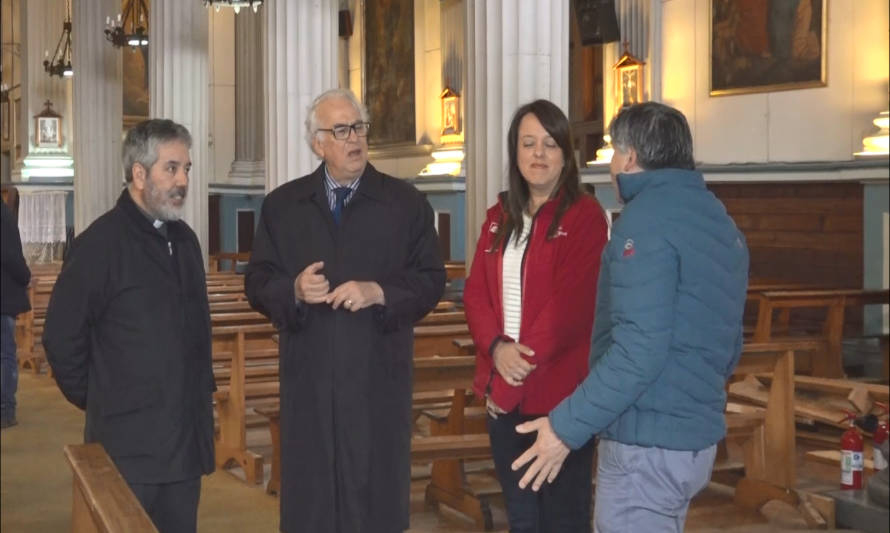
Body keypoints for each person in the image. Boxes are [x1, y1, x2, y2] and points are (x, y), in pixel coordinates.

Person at [512, 102, 749, 532]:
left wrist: (565, 427)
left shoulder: (644, 222)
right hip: (695, 440)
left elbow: (637, 351)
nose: (611, 166)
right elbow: (729, 346)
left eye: (613, 153)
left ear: (632, 157)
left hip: (647, 442)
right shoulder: (720, 220)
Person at [245, 88, 445, 533]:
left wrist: (380, 292)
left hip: (378, 380)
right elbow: (257, 282)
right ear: (318, 143)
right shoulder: (283, 205)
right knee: (312, 504)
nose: (354, 138)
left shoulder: (405, 204)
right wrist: (293, 289)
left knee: (374, 504)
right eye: (340, 130)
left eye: (359, 127)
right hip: (310, 383)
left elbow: (432, 280)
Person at [43, 119, 215, 533]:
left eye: (186, 169)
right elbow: (61, 339)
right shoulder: (100, 244)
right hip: (128, 448)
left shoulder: (187, 241)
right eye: (170, 168)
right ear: (139, 174)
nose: (182, 180)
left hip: (183, 448)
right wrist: (104, 396)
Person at [463, 99, 609, 532]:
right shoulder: (498, 217)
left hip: (560, 399)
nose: (538, 154)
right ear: (515, 152)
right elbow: (475, 296)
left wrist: (513, 365)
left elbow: (570, 309)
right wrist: (495, 350)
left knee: (562, 519)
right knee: (523, 520)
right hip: (503, 388)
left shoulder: (585, 217)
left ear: (566, 153)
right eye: (528, 143)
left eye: (549, 143)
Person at [1, 198, 30, 429]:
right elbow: (11, 258)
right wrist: (25, 276)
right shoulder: (4, 217)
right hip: (3, 299)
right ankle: (5, 411)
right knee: (5, 356)